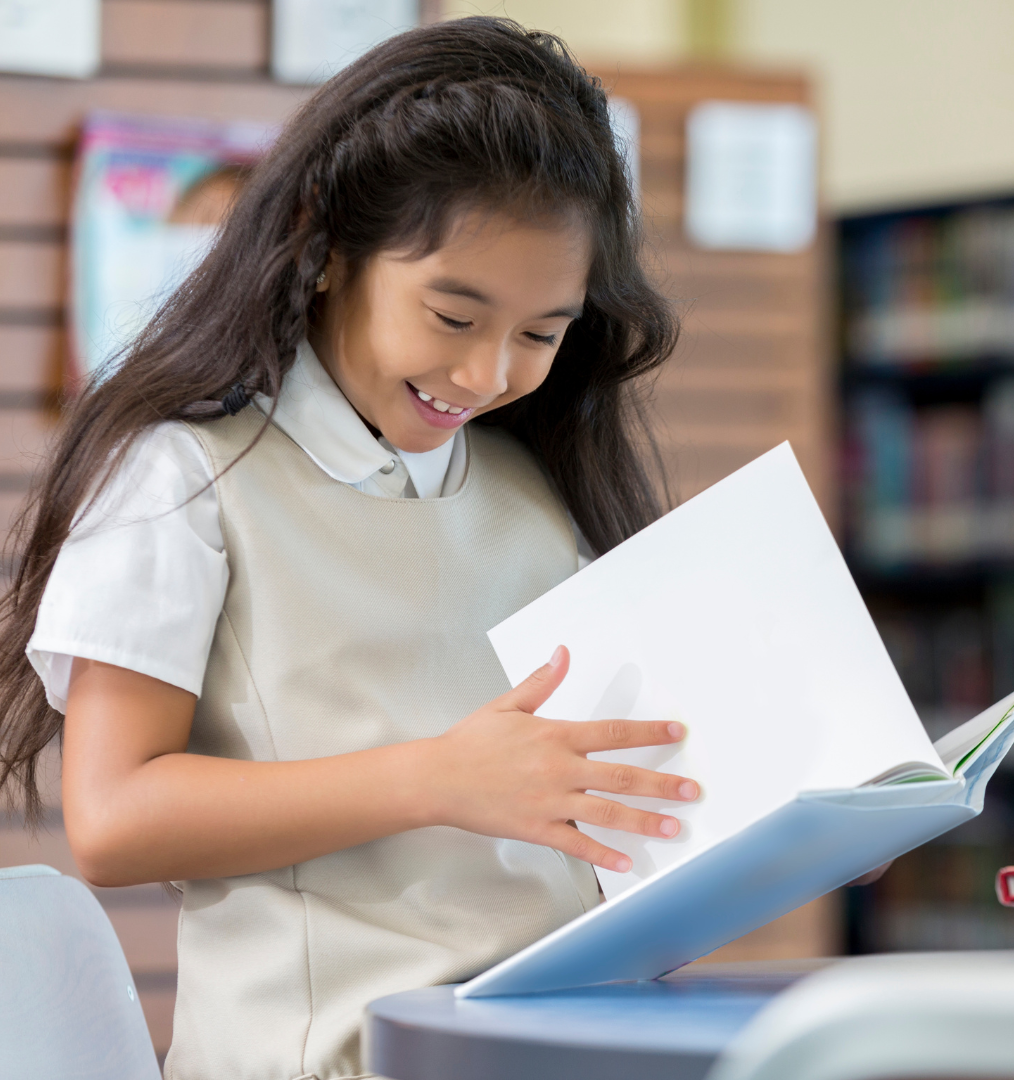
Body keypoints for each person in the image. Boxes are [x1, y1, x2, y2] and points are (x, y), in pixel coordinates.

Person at [0, 17, 700, 1080]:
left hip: (569, 1038)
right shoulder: (185, 475)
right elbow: (111, 820)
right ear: (328, 248)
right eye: (453, 315)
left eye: (541, 333)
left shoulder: (539, 486)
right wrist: (435, 779)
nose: (487, 373)